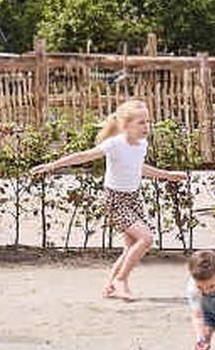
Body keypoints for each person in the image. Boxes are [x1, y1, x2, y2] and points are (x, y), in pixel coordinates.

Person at [32, 97, 188, 300]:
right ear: (125, 126)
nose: (146, 126)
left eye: (147, 121)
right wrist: (51, 166)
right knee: (146, 239)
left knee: (131, 248)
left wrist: (167, 175)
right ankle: (121, 281)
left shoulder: (141, 144)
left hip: (133, 198)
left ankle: (110, 287)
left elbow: (138, 168)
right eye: (141, 122)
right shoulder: (115, 144)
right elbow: (83, 156)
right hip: (115, 199)